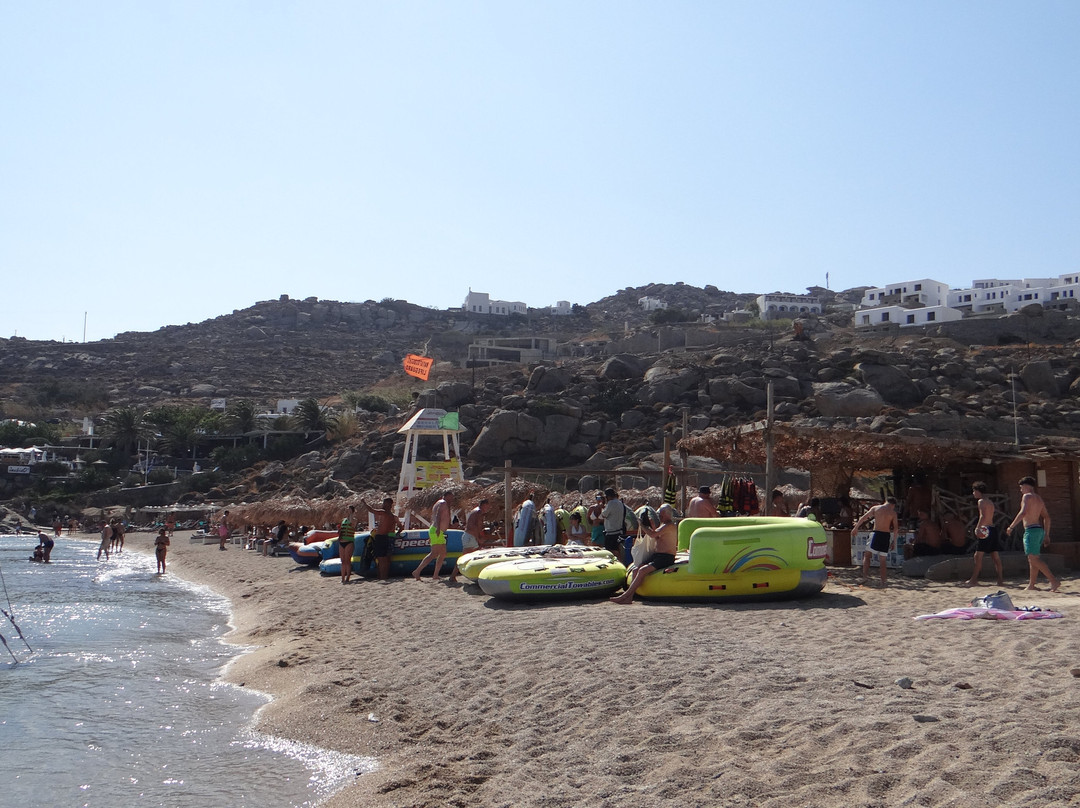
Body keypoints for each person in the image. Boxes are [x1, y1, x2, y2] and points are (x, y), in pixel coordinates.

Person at [610, 504, 678, 604]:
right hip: (657, 555)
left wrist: (642, 525)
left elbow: (652, 534)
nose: (660, 517)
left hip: (666, 557)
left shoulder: (669, 525)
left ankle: (625, 595)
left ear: (667, 514)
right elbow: (657, 538)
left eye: (661, 515)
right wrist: (652, 526)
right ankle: (630, 597)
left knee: (642, 570)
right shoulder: (663, 525)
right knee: (635, 569)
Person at [1007, 476, 1060, 592]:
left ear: (1026, 486)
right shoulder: (1039, 499)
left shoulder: (1026, 496)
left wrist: (1011, 526)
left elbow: (1023, 512)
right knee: (1033, 559)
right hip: (1039, 530)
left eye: (1021, 487)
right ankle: (1032, 585)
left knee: (1033, 559)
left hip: (1031, 531)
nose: (1021, 490)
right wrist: (1046, 534)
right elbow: (1047, 517)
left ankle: (1053, 580)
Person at [965, 482, 1004, 587]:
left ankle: (974, 579)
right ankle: (1000, 580)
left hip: (985, 529)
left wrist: (977, 528)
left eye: (974, 491)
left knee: (978, 556)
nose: (973, 493)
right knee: (995, 556)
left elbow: (982, 516)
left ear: (978, 491)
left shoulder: (981, 501)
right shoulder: (990, 502)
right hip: (992, 529)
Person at [854, 497, 898, 587]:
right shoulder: (893, 513)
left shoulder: (876, 508)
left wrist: (856, 527)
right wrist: (894, 541)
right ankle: (883, 581)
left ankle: (865, 577)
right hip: (885, 535)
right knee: (883, 560)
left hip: (876, 534)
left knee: (867, 555)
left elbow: (864, 518)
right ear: (893, 505)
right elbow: (896, 528)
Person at [412, 492, 453, 582]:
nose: (451, 499)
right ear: (445, 496)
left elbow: (433, 517)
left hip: (437, 530)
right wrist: (437, 528)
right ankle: (417, 571)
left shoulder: (438, 503)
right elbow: (438, 515)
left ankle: (435, 574)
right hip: (437, 530)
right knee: (434, 553)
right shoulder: (443, 503)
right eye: (450, 497)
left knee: (443, 553)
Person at [450, 498, 489, 583]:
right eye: (487, 506)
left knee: (477, 555)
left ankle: (454, 576)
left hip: (470, 537)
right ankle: (453, 576)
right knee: (464, 557)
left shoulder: (476, 512)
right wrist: (478, 538)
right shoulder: (478, 512)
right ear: (483, 505)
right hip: (470, 537)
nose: (488, 508)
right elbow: (473, 528)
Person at [365, 497, 400, 580]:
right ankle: (384, 576)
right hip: (386, 537)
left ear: (387, 504)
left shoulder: (384, 513)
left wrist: (364, 503)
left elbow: (372, 510)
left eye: (384, 503)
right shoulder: (393, 516)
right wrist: (397, 534)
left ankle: (382, 577)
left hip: (380, 537)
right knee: (385, 559)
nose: (382, 505)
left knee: (381, 559)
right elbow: (400, 527)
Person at [600, 488, 630, 559]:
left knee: (611, 551)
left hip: (611, 532)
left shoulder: (611, 503)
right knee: (617, 550)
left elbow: (603, 515)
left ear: (607, 497)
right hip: (619, 530)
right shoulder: (620, 503)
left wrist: (602, 507)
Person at [337, 505, 357, 584]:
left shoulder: (354, 520)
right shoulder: (343, 520)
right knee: (343, 561)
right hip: (342, 542)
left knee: (347, 560)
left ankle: (348, 577)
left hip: (349, 542)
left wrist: (351, 514)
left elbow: (351, 523)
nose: (347, 511)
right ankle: (342, 578)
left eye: (349, 510)